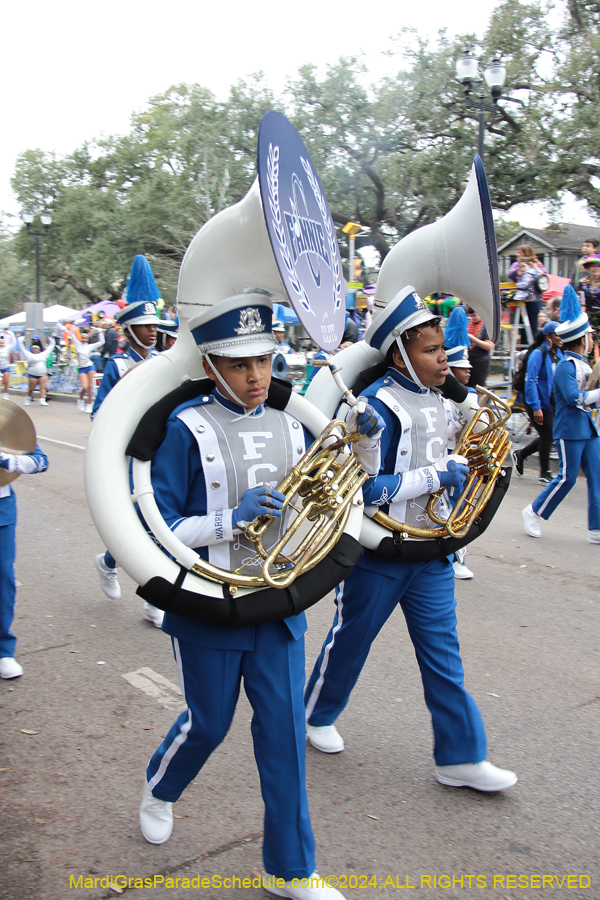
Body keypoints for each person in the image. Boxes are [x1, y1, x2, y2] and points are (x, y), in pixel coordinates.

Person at [139, 293, 382, 900]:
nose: (256, 377)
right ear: (211, 365)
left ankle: (289, 870)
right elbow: (156, 528)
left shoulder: (293, 421)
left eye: (264, 362)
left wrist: (365, 448)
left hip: (276, 606)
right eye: (241, 364)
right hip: (208, 604)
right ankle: (160, 788)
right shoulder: (182, 428)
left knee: (282, 734)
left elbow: (335, 499)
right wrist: (228, 520)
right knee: (209, 724)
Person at [304, 288, 518, 793]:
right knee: (351, 639)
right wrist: (438, 475)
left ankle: (461, 756)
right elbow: (364, 490)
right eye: (431, 351)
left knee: (444, 656)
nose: (444, 360)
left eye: (443, 350)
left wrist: (471, 470)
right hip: (382, 551)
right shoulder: (374, 405)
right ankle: (314, 714)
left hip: (431, 548)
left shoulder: (445, 402)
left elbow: (460, 463)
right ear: (400, 353)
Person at [91, 255, 163, 629]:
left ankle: (114, 566)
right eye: (144, 326)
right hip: (125, 454)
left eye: (154, 325)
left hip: (156, 453)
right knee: (136, 521)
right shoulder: (116, 366)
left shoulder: (163, 361)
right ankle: (112, 564)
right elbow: (100, 414)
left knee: (155, 520)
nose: (152, 331)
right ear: (129, 329)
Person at [522, 287, 600, 544]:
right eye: (589, 335)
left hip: (587, 428)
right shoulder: (565, 366)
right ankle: (533, 511)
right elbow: (574, 398)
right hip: (569, 428)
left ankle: (596, 528)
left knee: (597, 475)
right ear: (581, 338)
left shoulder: (583, 364)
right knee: (566, 478)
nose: (592, 338)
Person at [0, 437, 49, 678]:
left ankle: (3, 651)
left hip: (1, 508)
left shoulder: (4, 420)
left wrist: (9, 460)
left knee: (3, 580)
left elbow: (40, 461)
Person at [443, 306, 477, 579]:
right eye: (463, 367)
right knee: (445, 506)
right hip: (442, 459)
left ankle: (458, 555)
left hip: (462, 459)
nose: (470, 371)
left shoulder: (471, 396)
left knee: (462, 504)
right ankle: (450, 555)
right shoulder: (439, 397)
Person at [511, 323, 563, 484]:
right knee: (548, 435)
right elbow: (530, 381)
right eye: (557, 335)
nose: (560, 338)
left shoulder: (559, 354)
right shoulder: (538, 354)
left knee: (549, 435)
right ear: (548, 336)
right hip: (537, 402)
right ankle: (544, 473)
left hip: (552, 402)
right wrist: (536, 407)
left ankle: (521, 455)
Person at [508, 245, 548, 339]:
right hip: (521, 297)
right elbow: (510, 274)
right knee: (522, 326)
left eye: (520, 252)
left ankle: (532, 346)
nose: (517, 254)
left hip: (534, 298)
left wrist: (532, 268)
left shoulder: (537, 264)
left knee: (532, 324)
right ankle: (523, 346)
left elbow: (543, 277)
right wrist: (519, 270)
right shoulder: (516, 265)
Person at [70, 330, 105, 412]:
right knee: (84, 387)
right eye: (82, 338)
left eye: (85, 338)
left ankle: (89, 404)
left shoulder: (90, 346)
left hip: (90, 366)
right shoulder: (77, 345)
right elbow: (72, 334)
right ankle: (81, 400)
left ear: (88, 339)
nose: (84, 340)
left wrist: (100, 333)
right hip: (82, 368)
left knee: (90, 387)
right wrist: (74, 325)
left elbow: (102, 342)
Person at [17, 335, 55, 406]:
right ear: (32, 349)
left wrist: (52, 341)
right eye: (34, 348)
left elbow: (50, 349)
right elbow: (22, 349)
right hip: (32, 374)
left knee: (42, 387)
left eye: (36, 348)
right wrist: (20, 341)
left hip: (42, 373)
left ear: (39, 349)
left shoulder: (43, 354)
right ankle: (28, 398)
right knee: (31, 388)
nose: (35, 350)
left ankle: (42, 400)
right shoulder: (29, 355)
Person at [579, 255, 600, 362]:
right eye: (593, 266)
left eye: (598, 266)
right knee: (589, 345)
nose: (595, 268)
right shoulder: (582, 283)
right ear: (587, 268)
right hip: (588, 317)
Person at [466, 307, 494, 388]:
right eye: (471, 316)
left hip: (480, 362)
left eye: (474, 315)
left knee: (478, 387)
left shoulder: (486, 326)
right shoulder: (469, 324)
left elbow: (490, 346)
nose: (473, 318)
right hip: (468, 360)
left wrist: (474, 339)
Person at [0, 331, 16, 400]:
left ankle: (5, 394)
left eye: (2, 343)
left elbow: (14, 344)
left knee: (6, 381)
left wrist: (12, 335)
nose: (1, 344)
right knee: (1, 382)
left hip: (5, 366)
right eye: (0, 343)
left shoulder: (7, 349)